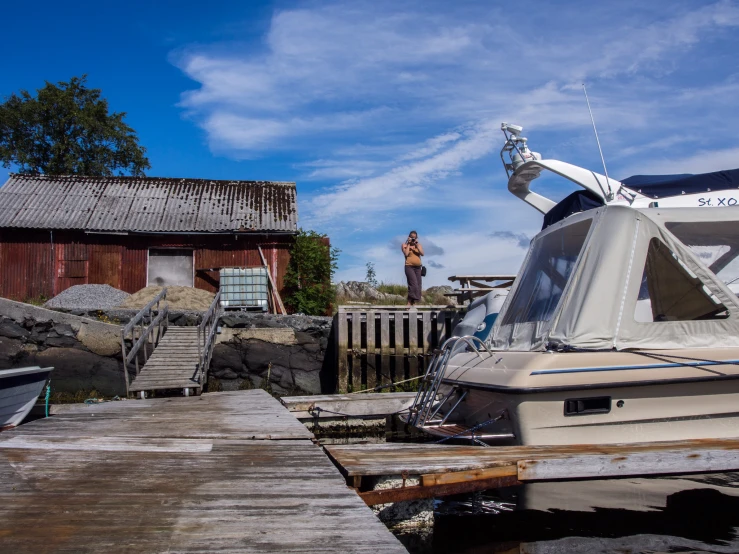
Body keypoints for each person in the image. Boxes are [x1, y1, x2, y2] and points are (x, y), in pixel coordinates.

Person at [401, 230, 424, 308]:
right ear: (409, 237)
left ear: (416, 238)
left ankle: (414, 302)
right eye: (411, 237)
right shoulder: (404, 245)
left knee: (418, 285)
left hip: (418, 268)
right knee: (413, 284)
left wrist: (416, 245)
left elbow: (422, 253)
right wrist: (409, 244)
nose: (413, 238)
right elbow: (406, 253)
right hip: (409, 266)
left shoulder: (418, 245)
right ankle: (409, 302)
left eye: (414, 237)